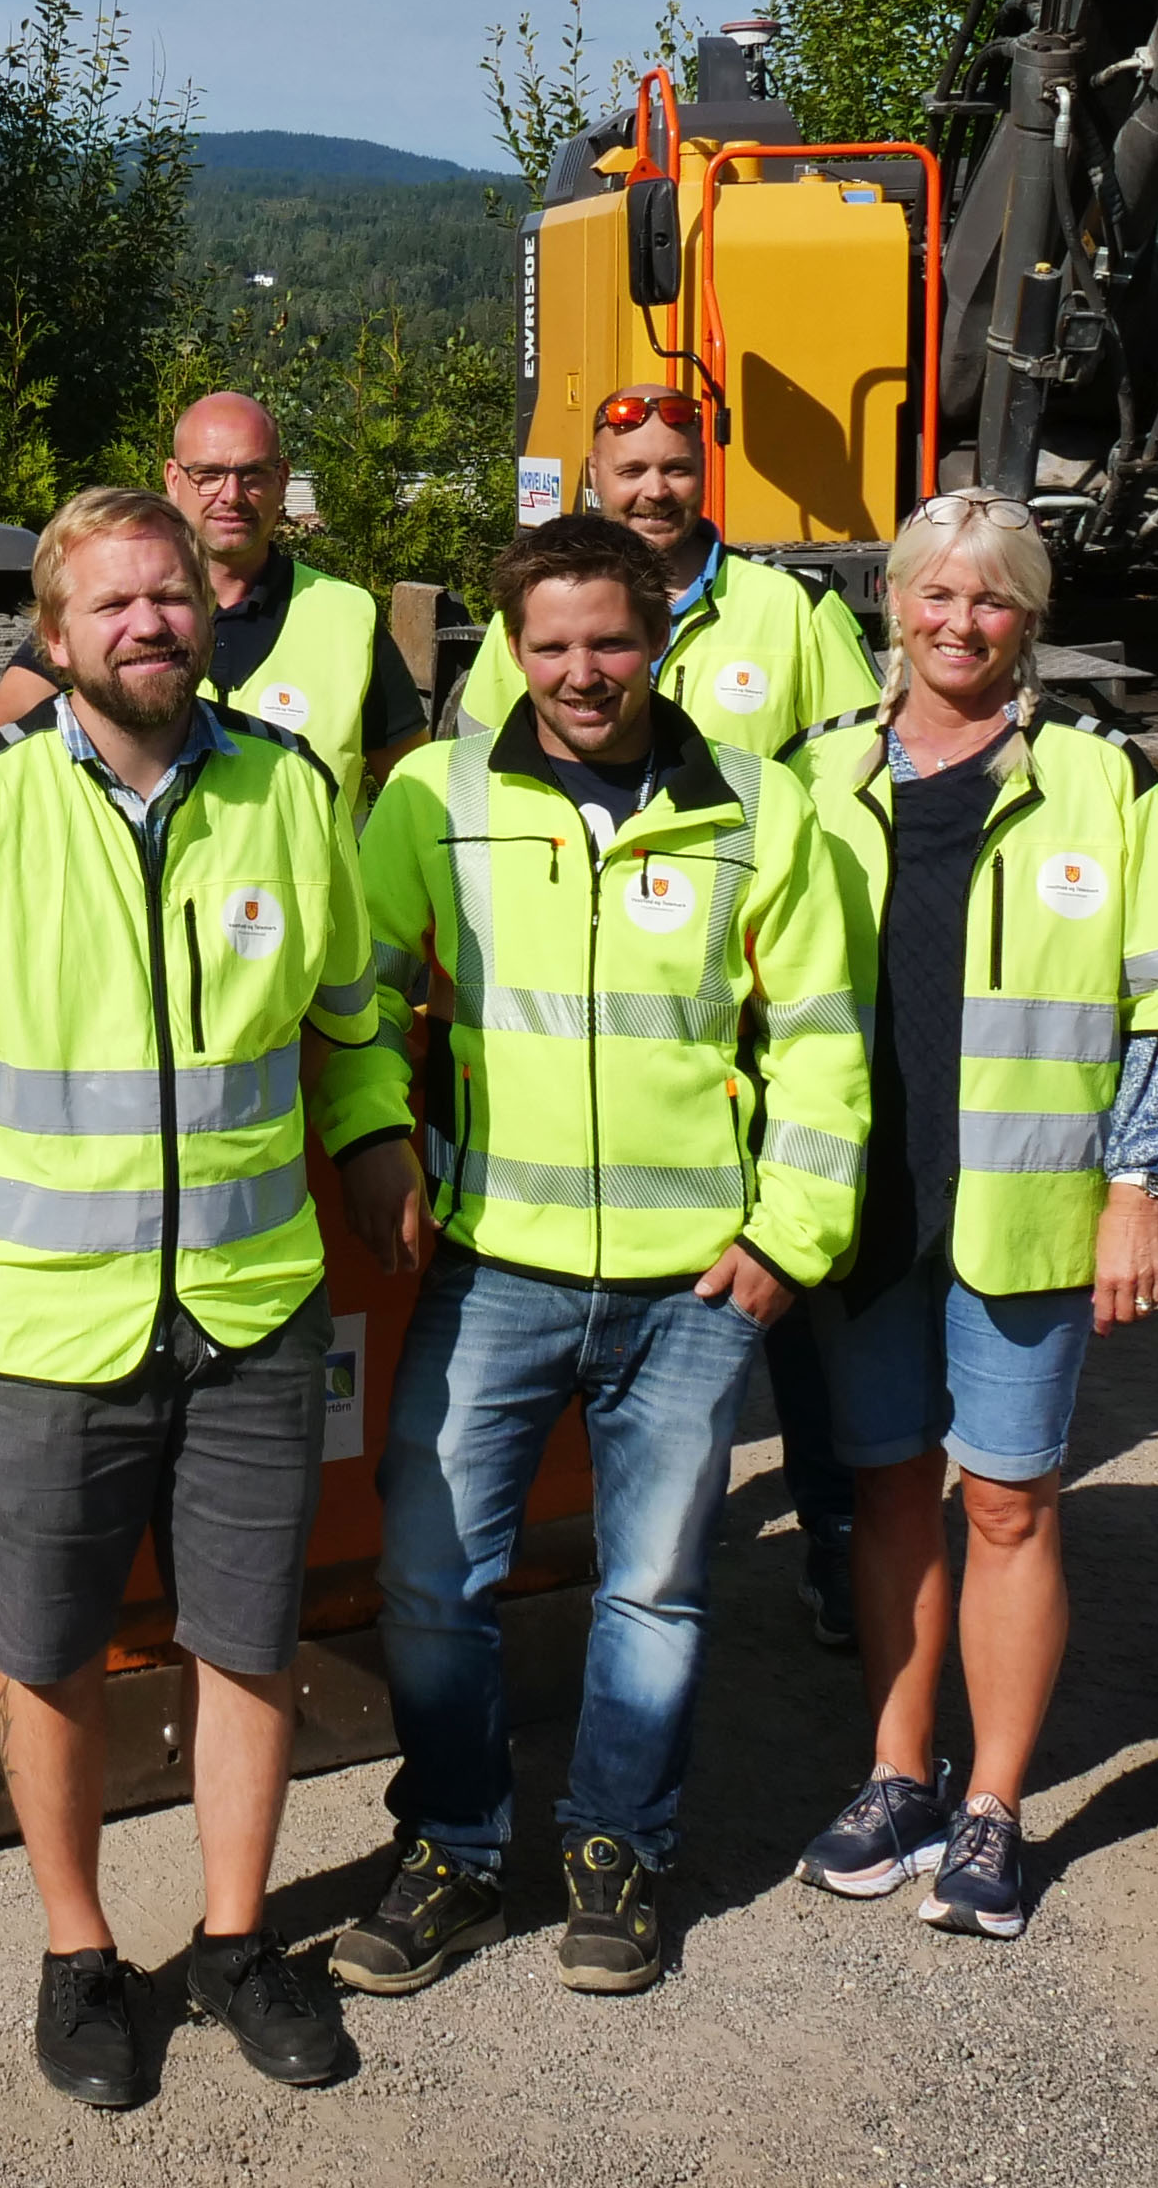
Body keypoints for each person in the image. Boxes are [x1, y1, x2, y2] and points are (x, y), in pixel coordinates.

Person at [0, 485, 398, 2111]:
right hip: (42, 1327)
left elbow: (346, 1014)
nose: (148, 621)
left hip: (249, 1313)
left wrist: (375, 1138)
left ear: (205, 616)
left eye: (171, 596)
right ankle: (78, 1952)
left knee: (248, 1641)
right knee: (49, 1654)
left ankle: (234, 1940)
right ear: (56, 636)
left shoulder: (288, 790)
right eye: (112, 603)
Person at [321, 512, 868, 2003]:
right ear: (513, 650)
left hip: (694, 1286)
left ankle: (618, 1849)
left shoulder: (760, 807)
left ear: (658, 640)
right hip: (496, 1265)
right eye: (551, 644)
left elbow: (822, 1041)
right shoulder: (434, 797)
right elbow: (356, 995)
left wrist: (791, 1236)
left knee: (655, 1589)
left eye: (610, 641)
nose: (581, 672)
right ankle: (452, 1848)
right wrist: (370, 1133)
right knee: (430, 1573)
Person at [783, 493, 1158, 1942]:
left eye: (990, 598)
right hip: (863, 1202)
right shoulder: (813, 775)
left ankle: (991, 1809)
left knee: (1009, 1503)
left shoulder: (1105, 781)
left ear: (1028, 618)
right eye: (935, 593)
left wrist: (1139, 1189)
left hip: (1026, 1205)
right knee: (888, 1492)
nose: (958, 622)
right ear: (893, 606)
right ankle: (896, 1776)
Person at [450, 380, 885, 1645]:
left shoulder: (792, 614)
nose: (654, 488)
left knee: (792, 1289)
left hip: (757, 981)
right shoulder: (541, 609)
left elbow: (848, 784)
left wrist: (796, 946)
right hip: (623, 1004)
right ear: (593, 475)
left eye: (675, 467)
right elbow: (482, 784)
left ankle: (832, 1531)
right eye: (630, 467)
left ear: (708, 474)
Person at [0, 392, 427, 794]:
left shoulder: (347, 617)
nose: (231, 496)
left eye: (253, 474)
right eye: (209, 474)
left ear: (282, 480)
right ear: (174, 480)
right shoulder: (108, 615)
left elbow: (413, 794)